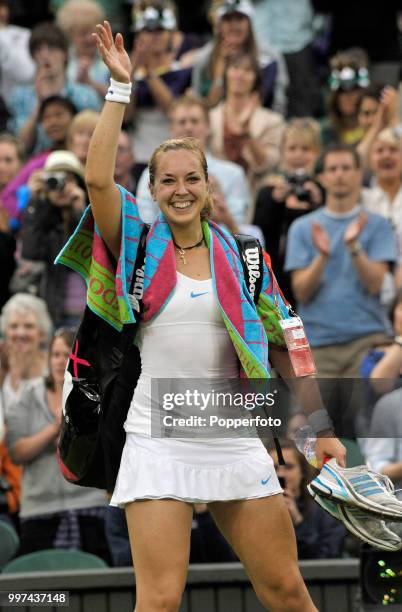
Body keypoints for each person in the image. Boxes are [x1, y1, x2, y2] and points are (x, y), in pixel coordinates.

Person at [60, 21, 346, 612]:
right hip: (156, 439)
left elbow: (293, 342)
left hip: (236, 437)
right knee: (159, 601)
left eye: (192, 178)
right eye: (168, 181)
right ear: (154, 191)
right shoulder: (134, 243)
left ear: (209, 186)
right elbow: (94, 179)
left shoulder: (244, 256)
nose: (181, 189)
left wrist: (321, 429)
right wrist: (120, 90)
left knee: (288, 591)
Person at [285, 144, 397, 379]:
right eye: (333, 169)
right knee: (313, 416)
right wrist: (322, 256)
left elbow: (375, 284)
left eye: (346, 168)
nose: (339, 174)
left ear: (358, 174)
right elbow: (301, 292)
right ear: (322, 177)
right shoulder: (303, 227)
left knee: (368, 415)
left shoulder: (378, 224)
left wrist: (354, 247)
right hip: (317, 341)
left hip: (367, 340)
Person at [6, 328, 110, 561]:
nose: (60, 361)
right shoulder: (28, 397)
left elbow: (103, 446)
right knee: (42, 588)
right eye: (55, 354)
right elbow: (16, 451)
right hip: (39, 511)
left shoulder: (94, 396)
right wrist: (54, 428)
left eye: (66, 355)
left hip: (88, 506)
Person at [135, 94, 252, 226]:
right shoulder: (150, 174)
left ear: (208, 127)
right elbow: (144, 224)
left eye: (195, 121)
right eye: (182, 122)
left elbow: (241, 231)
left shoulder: (233, 174)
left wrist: (221, 214)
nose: (188, 127)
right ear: (171, 129)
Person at [253, 118, 322, 302]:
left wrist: (317, 202)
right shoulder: (269, 189)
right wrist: (274, 201)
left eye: (305, 149)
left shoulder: (321, 190)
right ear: (282, 152)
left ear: (317, 153)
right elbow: (258, 231)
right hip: (277, 274)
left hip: (313, 273)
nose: (298, 155)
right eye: (292, 148)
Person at [8, 22, 101, 154]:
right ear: (32, 56)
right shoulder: (20, 96)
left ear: (65, 54)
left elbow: (97, 140)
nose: (45, 55)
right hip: (34, 167)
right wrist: (40, 104)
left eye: (51, 48)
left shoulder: (85, 95)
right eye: (38, 49)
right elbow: (20, 147)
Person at [20, 150, 87, 328]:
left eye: (68, 179)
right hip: (54, 315)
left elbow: (94, 252)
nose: (61, 186)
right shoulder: (42, 220)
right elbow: (30, 252)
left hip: (90, 315)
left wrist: (80, 211)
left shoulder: (91, 214)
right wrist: (34, 201)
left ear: (79, 183)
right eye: (56, 180)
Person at [188, 0, 288, 115]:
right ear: (219, 25)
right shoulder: (204, 58)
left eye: (240, 19)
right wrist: (220, 70)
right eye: (228, 20)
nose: (234, 26)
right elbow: (199, 103)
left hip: (263, 122)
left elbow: (279, 101)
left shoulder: (270, 56)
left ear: (249, 23)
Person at [208, 51, 284, 195]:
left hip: (254, 193)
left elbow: (268, 164)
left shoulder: (272, 121)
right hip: (215, 193)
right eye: (235, 68)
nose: (240, 75)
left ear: (256, 79)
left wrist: (248, 136)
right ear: (226, 74)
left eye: (247, 70)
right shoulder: (210, 117)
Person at [270, 440, 346, 559]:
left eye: (288, 467)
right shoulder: (255, 512)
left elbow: (329, 557)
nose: (280, 475)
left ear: (303, 472)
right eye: (274, 468)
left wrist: (298, 522)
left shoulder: (326, 510)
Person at [0, 294, 51, 415]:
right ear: (5, 332)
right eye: (14, 326)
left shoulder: (54, 366)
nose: (21, 333)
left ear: (42, 332)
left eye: (29, 326)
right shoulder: (1, 365)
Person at [56, 0, 109, 99]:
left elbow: (121, 98)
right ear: (70, 35)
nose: (89, 38)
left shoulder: (110, 59)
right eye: (83, 33)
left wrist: (89, 82)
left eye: (93, 32)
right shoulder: (62, 60)